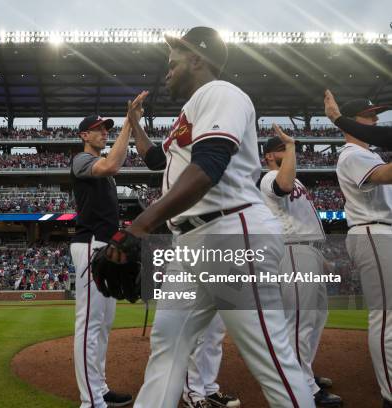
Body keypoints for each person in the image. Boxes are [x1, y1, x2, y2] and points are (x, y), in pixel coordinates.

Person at [113, 26, 314, 407]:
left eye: (173, 64)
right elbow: (158, 160)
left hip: (230, 230)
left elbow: (208, 167)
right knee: (168, 344)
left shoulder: (221, 93)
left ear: (197, 59)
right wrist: (134, 123)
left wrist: (140, 225)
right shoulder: (190, 113)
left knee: (270, 357)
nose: (166, 72)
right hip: (191, 242)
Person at [131, 108, 239, 408]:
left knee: (216, 328)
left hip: (220, 231)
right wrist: (135, 124)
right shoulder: (177, 151)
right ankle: (194, 393)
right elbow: (151, 156)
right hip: (191, 236)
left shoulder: (211, 141)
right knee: (189, 328)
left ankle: (206, 386)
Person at [71, 92, 146, 408]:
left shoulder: (98, 161)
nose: (104, 133)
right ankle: (90, 401)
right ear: (84, 135)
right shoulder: (81, 159)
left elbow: (112, 162)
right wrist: (130, 123)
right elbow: (114, 163)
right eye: (98, 129)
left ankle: (99, 388)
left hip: (105, 246)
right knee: (89, 324)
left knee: (103, 324)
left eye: (106, 129)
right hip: (89, 245)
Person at [260, 125, 342, 407]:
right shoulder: (270, 177)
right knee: (299, 323)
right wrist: (292, 146)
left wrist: (322, 256)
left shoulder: (297, 181)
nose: (289, 152)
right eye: (282, 149)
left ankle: (303, 371)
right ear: (269, 156)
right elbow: (282, 187)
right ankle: (301, 385)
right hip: (292, 250)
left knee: (316, 318)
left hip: (310, 251)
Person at [335, 100, 392, 408]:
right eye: (369, 116)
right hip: (372, 231)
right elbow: (384, 176)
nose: (376, 120)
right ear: (350, 123)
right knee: (386, 317)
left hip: (383, 231)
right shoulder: (352, 154)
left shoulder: (369, 153)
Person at [324, 89, 391, 147]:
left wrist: (338, 119)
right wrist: (338, 118)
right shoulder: (354, 154)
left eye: (375, 115)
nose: (376, 118)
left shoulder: (366, 153)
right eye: (369, 115)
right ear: (350, 121)